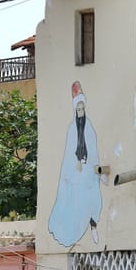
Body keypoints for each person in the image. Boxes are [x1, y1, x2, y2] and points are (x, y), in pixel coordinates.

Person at [48, 80, 104, 247]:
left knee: (95, 198)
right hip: (77, 172)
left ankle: (94, 226)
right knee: (77, 202)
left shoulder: (89, 127)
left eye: (82, 109)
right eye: (78, 110)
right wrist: (75, 164)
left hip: (90, 170)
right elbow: (69, 152)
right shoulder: (72, 129)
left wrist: (93, 165)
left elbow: (93, 147)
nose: (80, 112)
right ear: (75, 110)